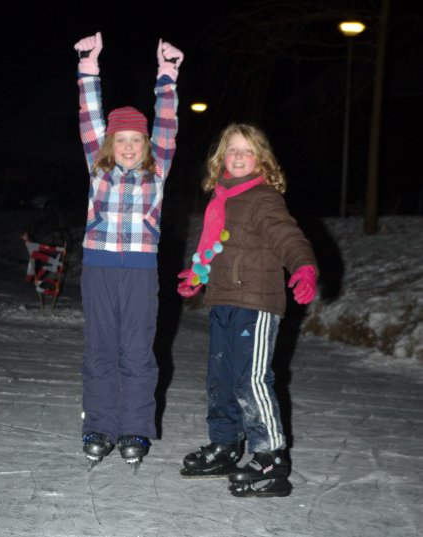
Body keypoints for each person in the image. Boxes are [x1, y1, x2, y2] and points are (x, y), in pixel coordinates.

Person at [177, 122, 318, 497]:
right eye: (232, 150)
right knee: (220, 378)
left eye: (247, 151)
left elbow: (288, 236)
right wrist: (196, 275)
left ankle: (271, 457)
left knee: (250, 380)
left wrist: (303, 265)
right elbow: (214, 248)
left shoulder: (262, 198)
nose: (238, 157)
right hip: (223, 300)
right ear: (221, 157)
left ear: (261, 160)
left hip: (255, 304)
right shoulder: (222, 198)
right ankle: (225, 445)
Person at [74, 32, 183, 471]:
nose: (129, 147)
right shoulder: (97, 170)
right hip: (98, 266)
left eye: (136, 141)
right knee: (100, 348)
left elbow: (167, 125)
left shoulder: (157, 170)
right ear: (108, 145)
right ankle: (99, 426)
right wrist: (87, 67)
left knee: (137, 350)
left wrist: (168, 76)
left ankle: (135, 427)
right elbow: (89, 117)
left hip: (140, 269)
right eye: (121, 141)